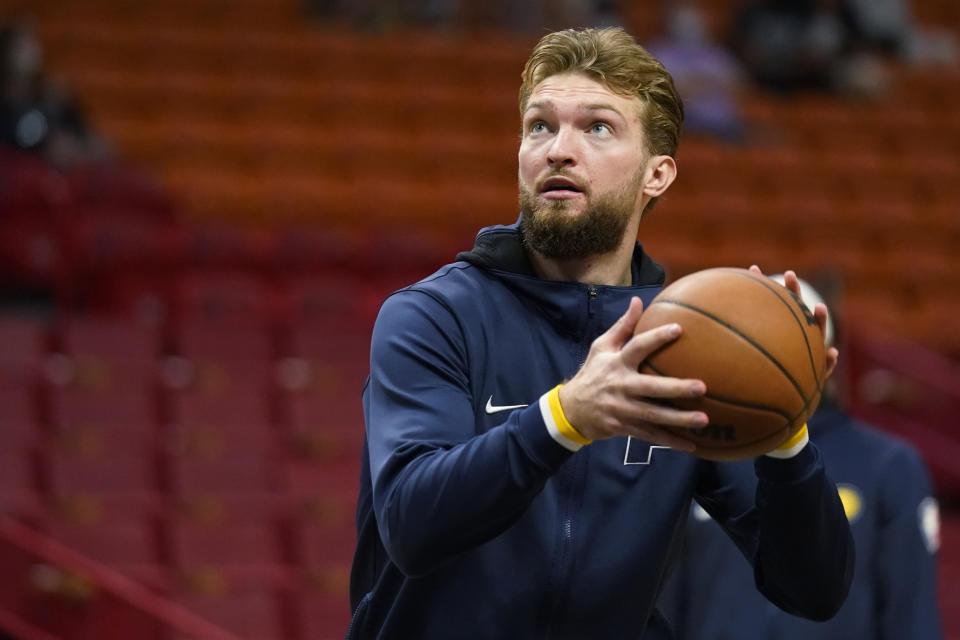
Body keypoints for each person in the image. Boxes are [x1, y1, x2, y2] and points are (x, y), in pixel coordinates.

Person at [349, 27, 853, 639]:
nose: (558, 149)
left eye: (597, 128)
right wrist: (563, 419)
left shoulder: (685, 345)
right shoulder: (434, 315)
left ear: (657, 175)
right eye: (540, 125)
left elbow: (814, 590)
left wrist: (786, 430)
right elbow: (410, 523)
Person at [658, 276, 943, 639]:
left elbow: (911, 612)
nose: (765, 348)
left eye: (780, 337)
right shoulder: (696, 452)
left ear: (826, 358)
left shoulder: (890, 464)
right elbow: (665, 600)